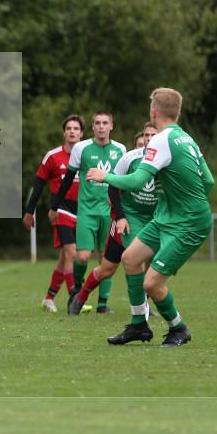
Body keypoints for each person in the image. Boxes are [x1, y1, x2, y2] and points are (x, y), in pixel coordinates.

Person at [88, 88, 214, 347]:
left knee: (152, 284)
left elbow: (136, 180)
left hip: (188, 223)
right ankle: (138, 325)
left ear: (153, 112)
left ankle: (178, 328)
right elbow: (209, 181)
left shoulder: (161, 140)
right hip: (169, 217)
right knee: (130, 259)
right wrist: (176, 201)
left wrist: (106, 176)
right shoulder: (187, 139)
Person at [69, 122, 159, 315]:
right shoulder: (130, 158)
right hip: (127, 219)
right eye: (147, 135)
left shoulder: (166, 161)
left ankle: (143, 305)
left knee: (150, 265)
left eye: (154, 135)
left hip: (152, 221)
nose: (150, 139)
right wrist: (120, 217)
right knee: (107, 269)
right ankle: (81, 297)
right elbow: (112, 186)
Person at [49, 111, 126, 313]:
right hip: (87, 212)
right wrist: (54, 206)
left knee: (105, 259)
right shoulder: (81, 149)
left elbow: (124, 183)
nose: (101, 127)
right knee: (82, 256)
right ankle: (76, 290)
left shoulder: (120, 150)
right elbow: (67, 181)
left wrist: (121, 210)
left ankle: (102, 303)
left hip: (108, 213)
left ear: (112, 126)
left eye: (105, 123)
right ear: (92, 127)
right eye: (98, 123)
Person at [23, 114, 83, 312]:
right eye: (69, 128)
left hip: (83, 211)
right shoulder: (53, 156)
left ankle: (49, 298)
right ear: (64, 132)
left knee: (65, 258)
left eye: (76, 128)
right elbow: (38, 185)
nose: (72, 131)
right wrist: (29, 212)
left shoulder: (87, 155)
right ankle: (75, 299)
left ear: (82, 133)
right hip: (60, 210)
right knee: (71, 253)